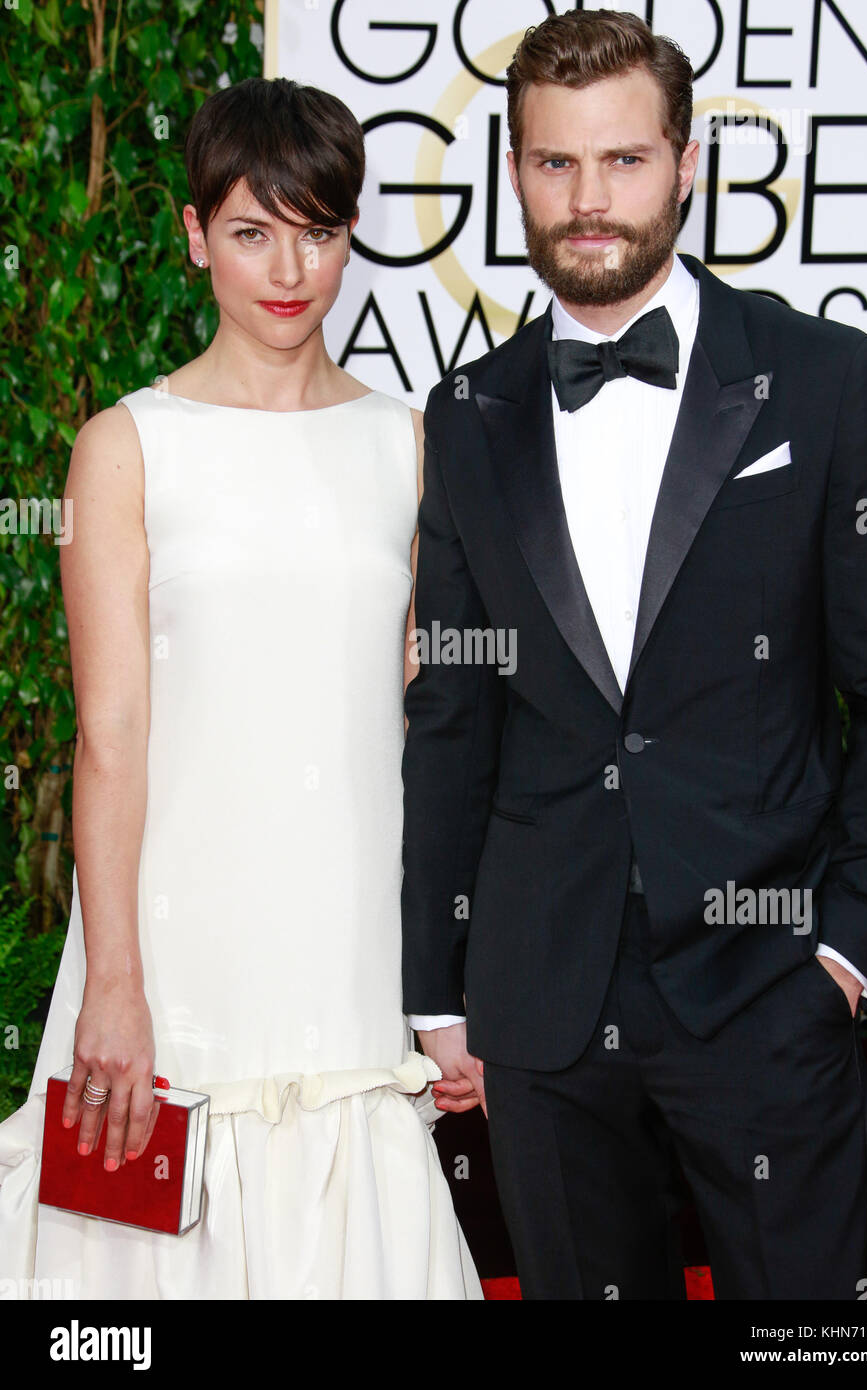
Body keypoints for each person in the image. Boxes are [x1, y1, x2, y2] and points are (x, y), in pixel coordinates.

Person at [401, 9, 867, 1299]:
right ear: (513, 173)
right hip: (539, 1003)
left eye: (624, 161)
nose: (589, 202)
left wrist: (849, 949)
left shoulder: (822, 379)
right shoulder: (468, 417)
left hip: (765, 981)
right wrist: (435, 990)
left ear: (688, 166)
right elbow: (455, 716)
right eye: (554, 164)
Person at [0, 75, 481, 1300]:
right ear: (195, 234)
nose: (288, 268)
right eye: (253, 231)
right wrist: (115, 983)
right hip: (176, 952)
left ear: (349, 237)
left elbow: (437, 727)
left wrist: (449, 983)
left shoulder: (405, 442)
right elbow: (108, 738)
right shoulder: (128, 446)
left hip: (351, 948)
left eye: (317, 231)